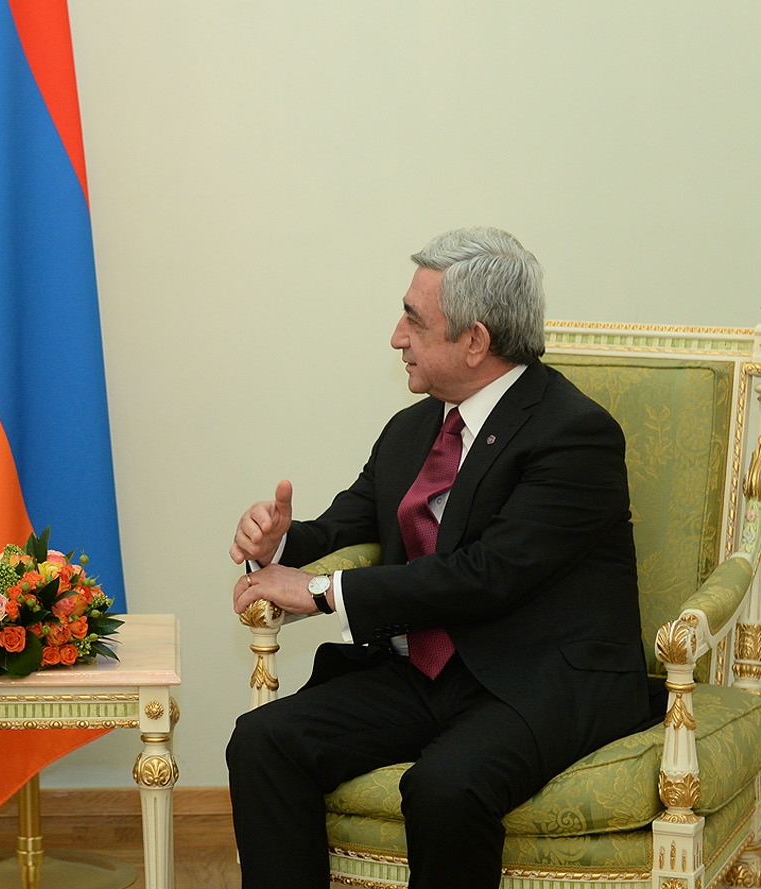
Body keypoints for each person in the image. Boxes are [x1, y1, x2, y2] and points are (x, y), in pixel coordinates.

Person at [226, 227, 651, 889]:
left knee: (446, 787)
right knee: (262, 741)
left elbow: (487, 575)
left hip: (536, 678)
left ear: (475, 340)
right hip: (423, 673)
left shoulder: (575, 435)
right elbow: (346, 523)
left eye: (414, 321)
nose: (397, 337)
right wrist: (277, 543)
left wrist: (320, 592)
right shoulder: (415, 427)